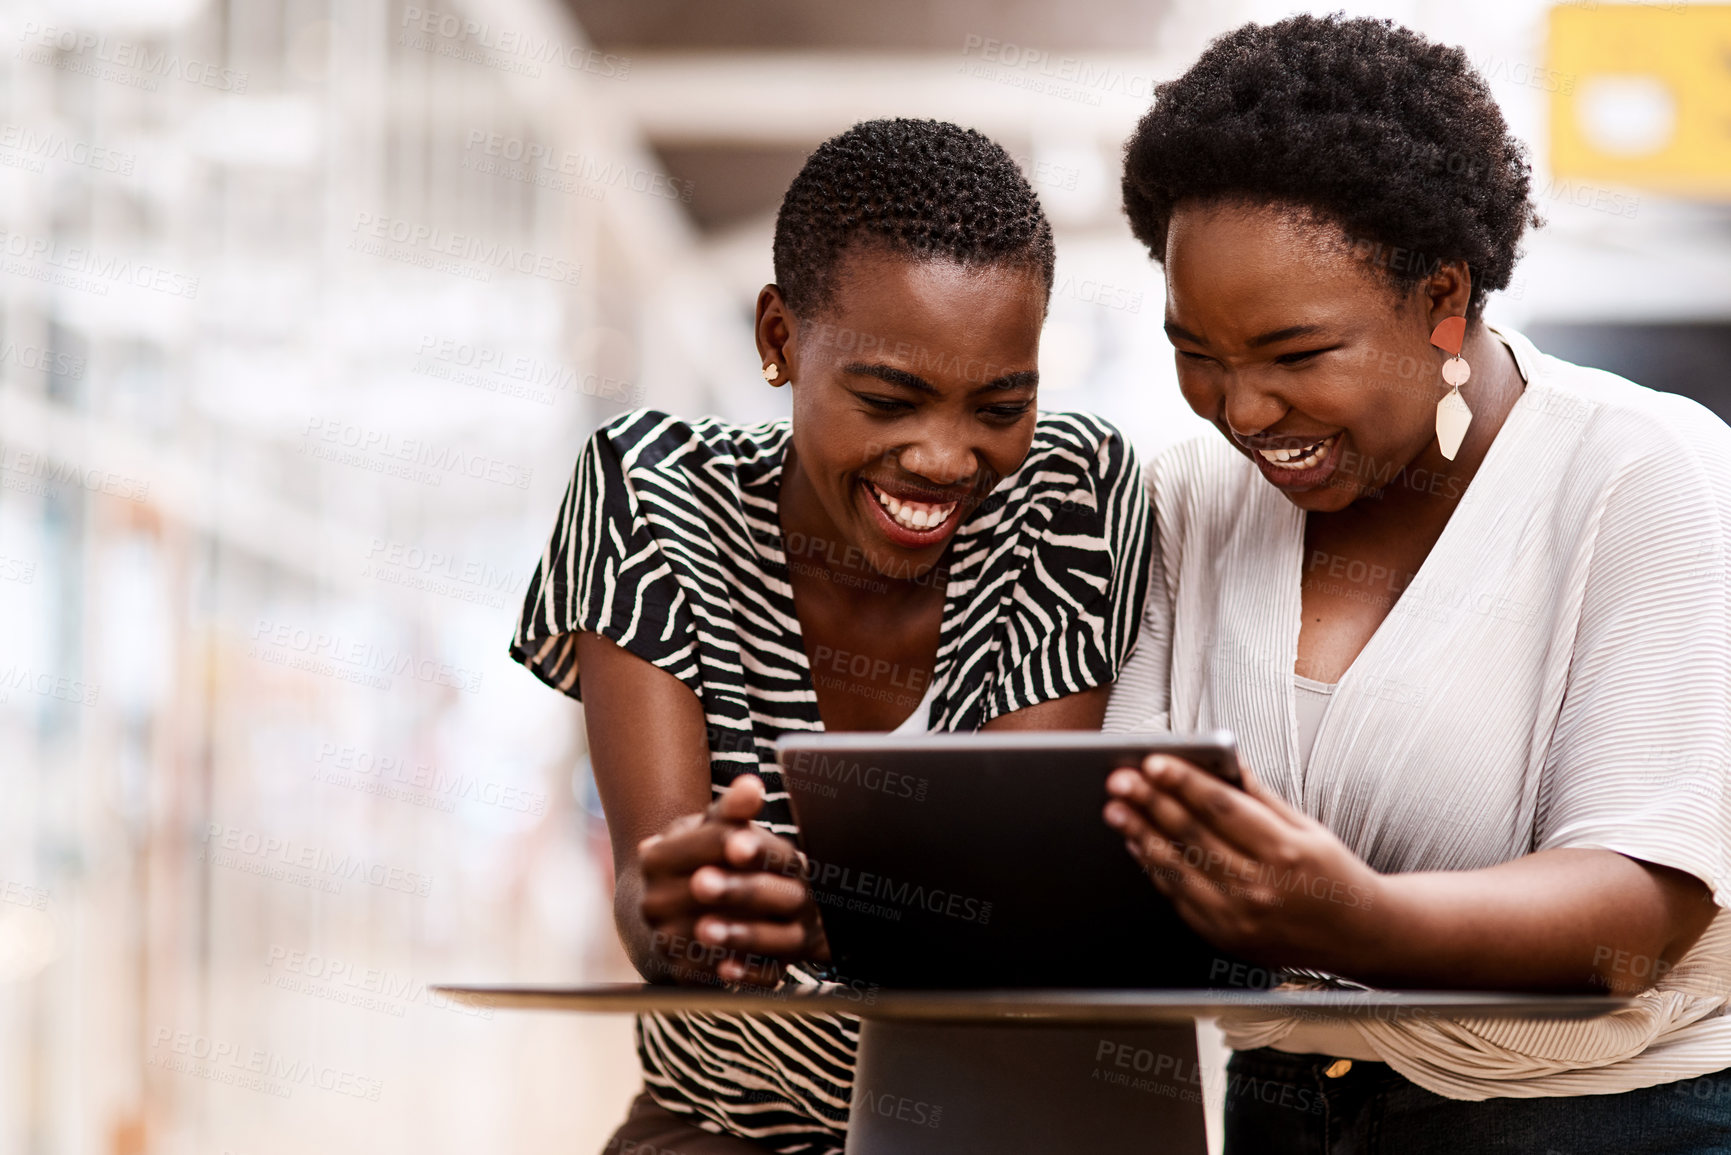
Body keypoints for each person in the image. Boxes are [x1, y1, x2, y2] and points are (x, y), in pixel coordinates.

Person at [1101, 14, 1730, 1154]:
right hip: (1286, 1115)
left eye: (1297, 356)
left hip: (1605, 1127)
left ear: (1443, 300)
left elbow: (1642, 916)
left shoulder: (1647, 473)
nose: (1242, 411)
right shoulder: (1185, 497)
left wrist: (1356, 916)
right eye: (1198, 352)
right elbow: (1111, 844)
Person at [510, 118, 1153, 1153]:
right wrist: (695, 917)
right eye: (889, 399)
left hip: (998, 1128)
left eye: (1000, 405)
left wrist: (837, 916)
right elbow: (649, 894)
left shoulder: (1066, 498)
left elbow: (1018, 899)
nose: (946, 459)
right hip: (721, 1126)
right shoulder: (652, 496)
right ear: (779, 340)